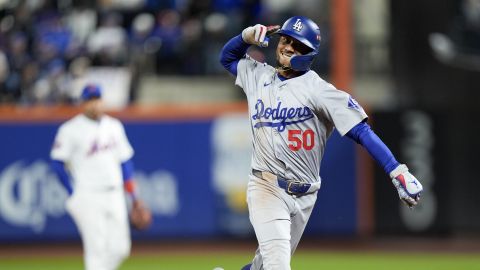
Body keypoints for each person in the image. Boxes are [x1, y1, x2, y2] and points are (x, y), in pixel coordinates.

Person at [219, 16, 423, 270]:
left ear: (310, 53)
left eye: (297, 44)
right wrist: (245, 37)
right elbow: (227, 58)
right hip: (266, 186)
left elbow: (361, 131)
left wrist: (397, 170)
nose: (288, 47)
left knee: (263, 265)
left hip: (306, 194)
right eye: (285, 40)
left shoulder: (319, 90)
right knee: (277, 266)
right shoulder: (258, 75)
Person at [50, 84, 150, 270]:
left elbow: (125, 163)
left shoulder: (114, 126)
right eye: (90, 100)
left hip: (114, 193)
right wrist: (72, 192)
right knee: (96, 251)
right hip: (87, 194)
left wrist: (134, 197)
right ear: (83, 103)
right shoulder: (70, 129)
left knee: (121, 249)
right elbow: (57, 163)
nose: (94, 104)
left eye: (97, 99)